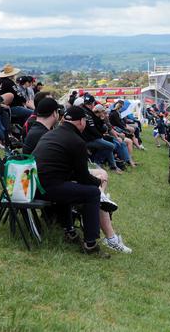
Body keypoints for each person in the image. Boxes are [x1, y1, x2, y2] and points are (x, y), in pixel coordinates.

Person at [32, 107, 110, 257]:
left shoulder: (51, 134)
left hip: (32, 185)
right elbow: (83, 177)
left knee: (70, 188)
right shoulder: (77, 141)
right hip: (46, 188)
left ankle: (69, 231)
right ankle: (90, 244)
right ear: (81, 121)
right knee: (92, 193)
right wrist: (99, 182)